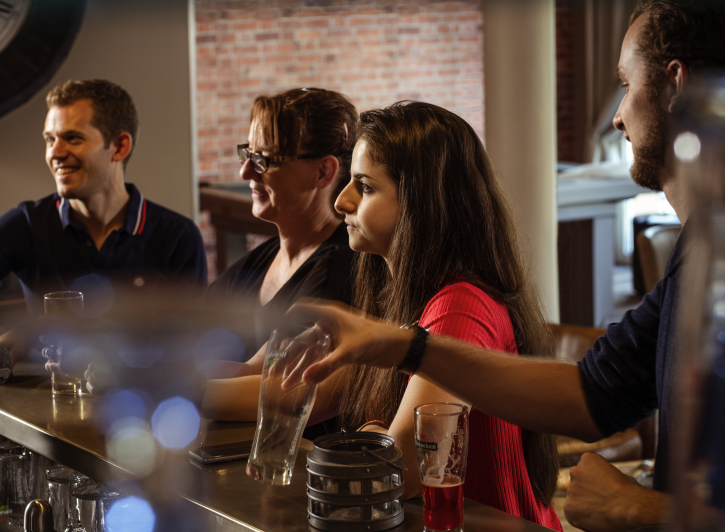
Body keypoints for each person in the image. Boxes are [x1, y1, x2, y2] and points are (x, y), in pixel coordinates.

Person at [286, 2, 725, 530]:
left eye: (626, 85)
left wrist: (640, 508)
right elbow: (591, 395)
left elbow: (403, 466)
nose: (616, 115)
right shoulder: (695, 250)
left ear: (676, 84)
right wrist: (404, 346)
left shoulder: (459, 301)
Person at [203, 101, 562, 528]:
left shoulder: (460, 306)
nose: (342, 201)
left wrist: (375, 433)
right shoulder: (398, 300)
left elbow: (403, 471)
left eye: (365, 187)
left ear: (422, 202)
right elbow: (308, 392)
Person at [0, 79, 207, 318]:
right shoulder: (27, 225)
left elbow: (193, 346)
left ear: (119, 146)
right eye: (49, 139)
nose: (55, 153)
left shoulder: (178, 237)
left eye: (73, 138)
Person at [203, 87, 357, 372]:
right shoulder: (261, 258)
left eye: (265, 160)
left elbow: (267, 379)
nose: (246, 172)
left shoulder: (340, 270)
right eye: (248, 154)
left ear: (323, 172)